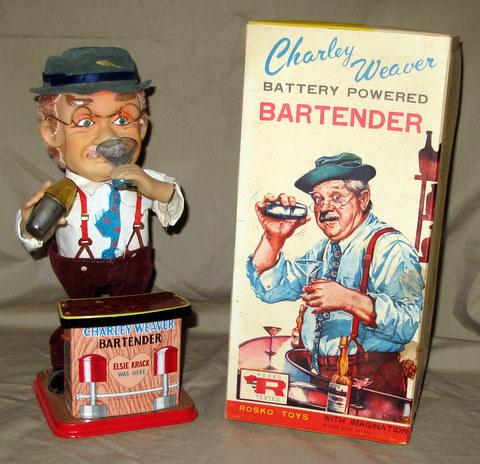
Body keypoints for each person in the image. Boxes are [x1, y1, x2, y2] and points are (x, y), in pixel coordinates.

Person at [16, 47, 184, 390]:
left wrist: (153, 188)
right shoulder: (61, 193)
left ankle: (131, 365)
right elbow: (32, 236)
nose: (108, 137)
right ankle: (67, 365)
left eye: (123, 120)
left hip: (133, 265)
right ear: (52, 132)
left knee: (131, 320)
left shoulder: (143, 180)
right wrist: (30, 222)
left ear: (142, 127)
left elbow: (173, 205)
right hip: (78, 268)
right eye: (85, 122)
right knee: (77, 320)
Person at [247, 153, 423, 397]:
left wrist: (348, 300)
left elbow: (408, 323)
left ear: (363, 199)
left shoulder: (390, 247)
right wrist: (273, 238)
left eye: (337, 197)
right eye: (318, 199)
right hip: (320, 377)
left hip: (371, 386)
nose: (325, 208)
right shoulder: (324, 249)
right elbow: (270, 289)